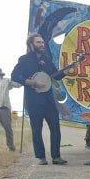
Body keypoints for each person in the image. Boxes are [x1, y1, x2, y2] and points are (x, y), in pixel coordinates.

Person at [12, 34, 69, 165]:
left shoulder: (47, 59)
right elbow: (14, 76)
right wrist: (32, 83)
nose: (42, 44)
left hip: (48, 100)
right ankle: (41, 157)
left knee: (55, 127)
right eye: (39, 42)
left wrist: (66, 71)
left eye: (43, 42)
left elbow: (56, 75)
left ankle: (56, 156)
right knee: (36, 129)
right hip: (34, 101)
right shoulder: (24, 59)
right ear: (31, 44)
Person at [0, 66, 20, 153]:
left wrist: (23, 79)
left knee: (8, 129)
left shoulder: (7, 81)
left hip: (4, 109)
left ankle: (11, 147)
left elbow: (18, 84)